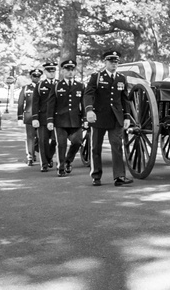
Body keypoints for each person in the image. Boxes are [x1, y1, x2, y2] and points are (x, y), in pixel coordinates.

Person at [83, 50, 132, 187]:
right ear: (105, 62)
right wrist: (89, 111)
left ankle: (119, 176)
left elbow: (125, 99)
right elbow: (88, 95)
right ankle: (96, 175)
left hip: (116, 118)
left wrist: (127, 116)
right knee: (96, 147)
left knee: (117, 146)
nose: (114, 64)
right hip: (98, 117)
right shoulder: (97, 77)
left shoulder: (121, 78)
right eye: (111, 62)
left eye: (116, 62)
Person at [49, 59, 86, 177]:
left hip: (76, 120)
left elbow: (84, 104)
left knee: (77, 142)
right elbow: (51, 104)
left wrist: (85, 119)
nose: (70, 72)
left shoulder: (80, 86)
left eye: (72, 70)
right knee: (61, 144)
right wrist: (49, 120)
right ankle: (60, 168)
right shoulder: (56, 86)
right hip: (60, 120)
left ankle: (68, 161)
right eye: (67, 70)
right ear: (62, 71)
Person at [30, 60, 59, 171]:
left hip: (56, 117)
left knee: (56, 140)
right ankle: (44, 164)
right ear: (45, 72)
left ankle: (49, 157)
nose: (52, 73)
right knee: (43, 140)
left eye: (53, 71)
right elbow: (35, 103)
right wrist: (35, 118)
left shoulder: (59, 84)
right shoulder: (40, 85)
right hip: (43, 117)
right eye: (49, 71)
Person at [16, 69, 43, 166]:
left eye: (38, 76)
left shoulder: (43, 87)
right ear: (31, 77)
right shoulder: (26, 88)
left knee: (41, 137)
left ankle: (38, 152)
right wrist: (19, 117)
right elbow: (20, 103)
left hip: (41, 116)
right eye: (34, 76)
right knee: (30, 137)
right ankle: (30, 156)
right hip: (29, 116)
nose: (36, 78)